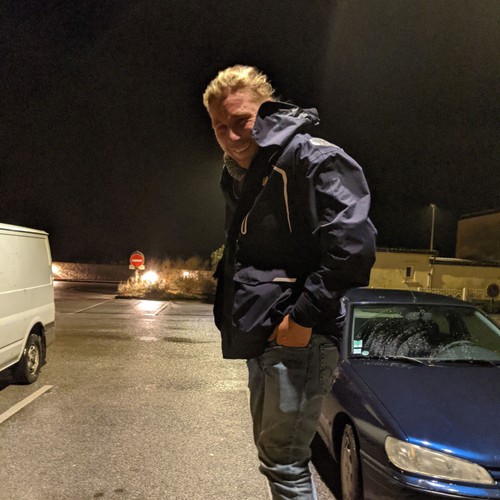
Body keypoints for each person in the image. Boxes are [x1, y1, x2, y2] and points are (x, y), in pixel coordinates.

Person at [203, 65, 376, 499]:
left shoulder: (313, 158)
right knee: (275, 457)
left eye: (241, 120)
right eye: (220, 126)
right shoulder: (240, 174)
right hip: (266, 336)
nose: (232, 135)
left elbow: (353, 249)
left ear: (267, 110)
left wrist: (300, 320)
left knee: (284, 462)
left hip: (298, 337)